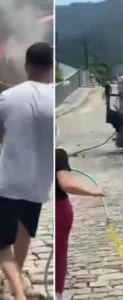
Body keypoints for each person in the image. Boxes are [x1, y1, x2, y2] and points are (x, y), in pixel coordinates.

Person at [0, 42, 53, 300]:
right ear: (51, 68)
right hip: (39, 183)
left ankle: (17, 292)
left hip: (8, 180)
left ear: (26, 66)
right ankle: (16, 281)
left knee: (2, 242)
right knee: (24, 232)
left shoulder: (7, 97)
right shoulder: (54, 99)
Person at [55, 148, 105, 300]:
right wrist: (93, 192)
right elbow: (66, 185)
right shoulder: (58, 154)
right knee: (60, 253)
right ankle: (57, 293)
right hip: (58, 209)